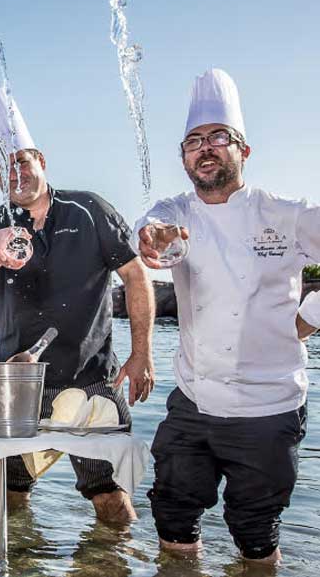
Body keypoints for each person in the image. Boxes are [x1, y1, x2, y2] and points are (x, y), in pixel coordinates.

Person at [136, 68, 314, 564]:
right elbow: (152, 233)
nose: (205, 148)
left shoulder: (286, 213)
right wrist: (155, 240)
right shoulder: (175, 211)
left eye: (219, 137)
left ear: (244, 151)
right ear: (185, 157)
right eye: (193, 141)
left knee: (255, 532)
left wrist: (312, 315)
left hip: (268, 406)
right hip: (194, 400)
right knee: (171, 515)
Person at [0, 88, 155, 524]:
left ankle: (110, 566)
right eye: (4, 167)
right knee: (10, 497)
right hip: (15, 384)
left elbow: (135, 274)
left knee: (110, 500)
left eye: (22, 161)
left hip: (91, 381)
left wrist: (142, 352)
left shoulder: (89, 210)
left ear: (41, 161)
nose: (15, 173)